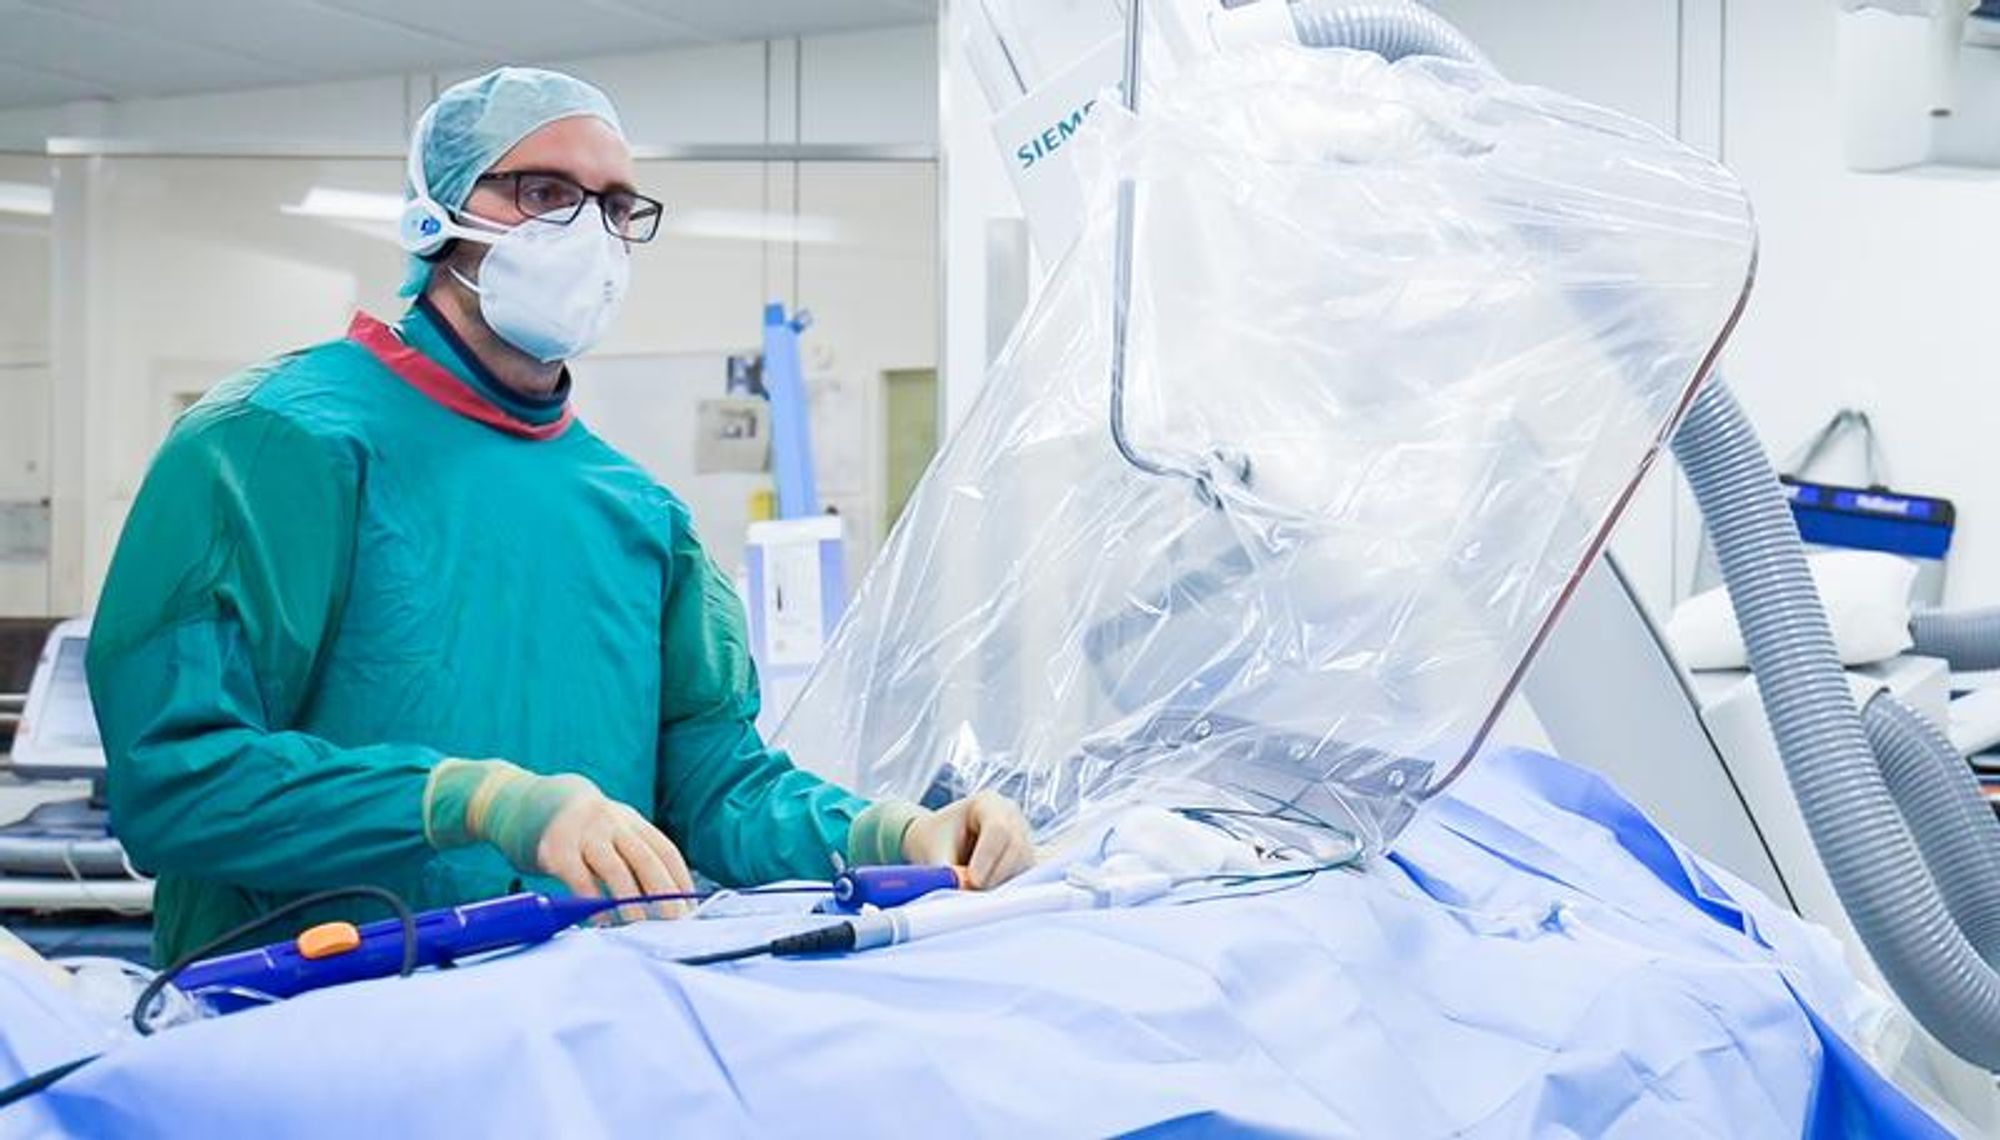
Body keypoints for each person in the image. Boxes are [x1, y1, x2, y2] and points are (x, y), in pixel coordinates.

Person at [86, 67, 1034, 965]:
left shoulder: (636, 516)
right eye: (543, 192)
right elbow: (176, 781)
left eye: (618, 206)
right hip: (300, 1026)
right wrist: (477, 801)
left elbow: (716, 788)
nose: (590, 231)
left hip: (567, 1026)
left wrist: (898, 832)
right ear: (437, 214)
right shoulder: (271, 443)